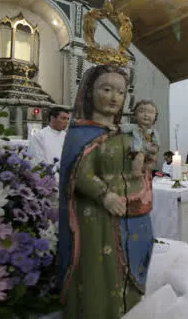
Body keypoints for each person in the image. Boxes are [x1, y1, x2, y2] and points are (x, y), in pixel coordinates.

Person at [58, 65, 154, 318]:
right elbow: (77, 174)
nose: (114, 97)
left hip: (128, 215)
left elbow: (135, 169)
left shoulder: (126, 133)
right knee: (100, 269)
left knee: (127, 269)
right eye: (106, 89)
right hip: (95, 217)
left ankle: (127, 308)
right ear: (90, 92)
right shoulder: (81, 134)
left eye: (120, 92)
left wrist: (144, 165)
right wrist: (105, 195)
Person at [121, 100, 160, 177]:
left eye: (150, 112)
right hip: (136, 150)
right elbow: (122, 128)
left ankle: (146, 172)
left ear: (155, 116)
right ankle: (136, 171)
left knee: (153, 159)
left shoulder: (153, 132)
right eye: (142, 111)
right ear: (135, 115)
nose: (146, 115)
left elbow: (157, 144)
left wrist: (153, 148)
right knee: (139, 156)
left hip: (148, 151)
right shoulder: (133, 127)